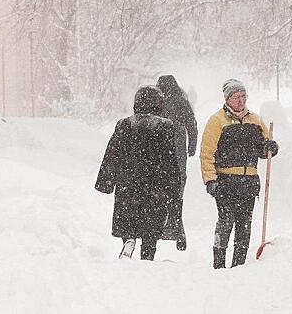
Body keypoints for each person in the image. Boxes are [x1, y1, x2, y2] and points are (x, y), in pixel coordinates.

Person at [95, 86, 181, 261]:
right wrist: (173, 186)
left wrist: (106, 181)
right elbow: (170, 159)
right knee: (152, 224)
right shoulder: (165, 126)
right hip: (155, 185)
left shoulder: (124, 124)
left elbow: (112, 154)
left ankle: (129, 240)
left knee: (127, 218)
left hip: (127, 183)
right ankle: (147, 255)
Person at [200, 79, 279, 269]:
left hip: (249, 181)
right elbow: (207, 152)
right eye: (236, 97)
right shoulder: (217, 121)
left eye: (244, 96)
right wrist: (210, 179)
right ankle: (219, 263)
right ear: (227, 99)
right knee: (226, 221)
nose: (241, 100)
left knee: (245, 223)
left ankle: (239, 265)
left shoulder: (256, 120)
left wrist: (270, 147)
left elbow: (264, 150)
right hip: (225, 180)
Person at [155, 75, 197, 251]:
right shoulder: (182, 100)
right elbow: (192, 124)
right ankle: (177, 224)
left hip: (160, 150)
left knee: (159, 185)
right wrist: (192, 145)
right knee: (178, 183)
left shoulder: (157, 101)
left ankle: (160, 222)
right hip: (178, 147)